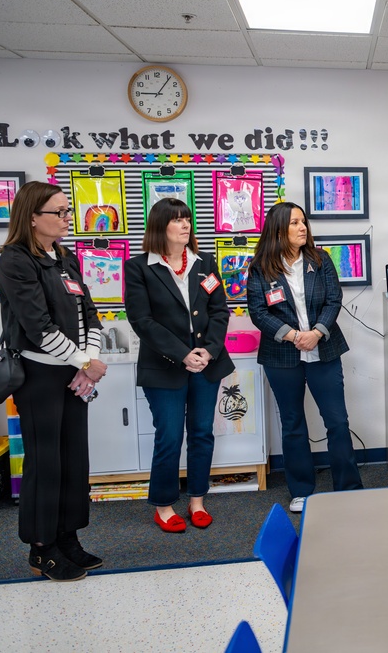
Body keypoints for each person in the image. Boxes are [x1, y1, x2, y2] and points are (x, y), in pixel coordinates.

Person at [0, 181, 107, 581]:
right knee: (46, 463)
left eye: (66, 211)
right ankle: (42, 548)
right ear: (31, 217)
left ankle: (68, 538)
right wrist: (84, 362)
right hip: (40, 375)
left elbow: (90, 314)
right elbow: (38, 327)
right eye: (58, 212)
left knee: (74, 459)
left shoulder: (65, 257)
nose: (66, 218)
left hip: (74, 373)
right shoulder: (14, 261)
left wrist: (88, 360)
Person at [124, 198, 234, 533]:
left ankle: (197, 500)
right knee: (169, 436)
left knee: (201, 433)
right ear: (160, 226)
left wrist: (208, 351)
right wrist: (182, 353)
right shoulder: (139, 267)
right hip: (164, 365)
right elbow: (141, 320)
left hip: (206, 363)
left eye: (187, 219)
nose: (185, 225)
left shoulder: (205, 263)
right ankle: (164, 505)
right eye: (176, 220)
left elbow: (219, 312)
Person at [247, 202, 363, 513]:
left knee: (337, 421)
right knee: (293, 422)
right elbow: (258, 311)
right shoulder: (260, 266)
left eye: (304, 222)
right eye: (296, 223)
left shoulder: (319, 259)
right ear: (278, 229)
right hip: (281, 355)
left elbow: (334, 299)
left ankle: (349, 488)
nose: (303, 228)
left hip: (323, 349)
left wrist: (317, 331)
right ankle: (301, 491)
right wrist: (292, 334)